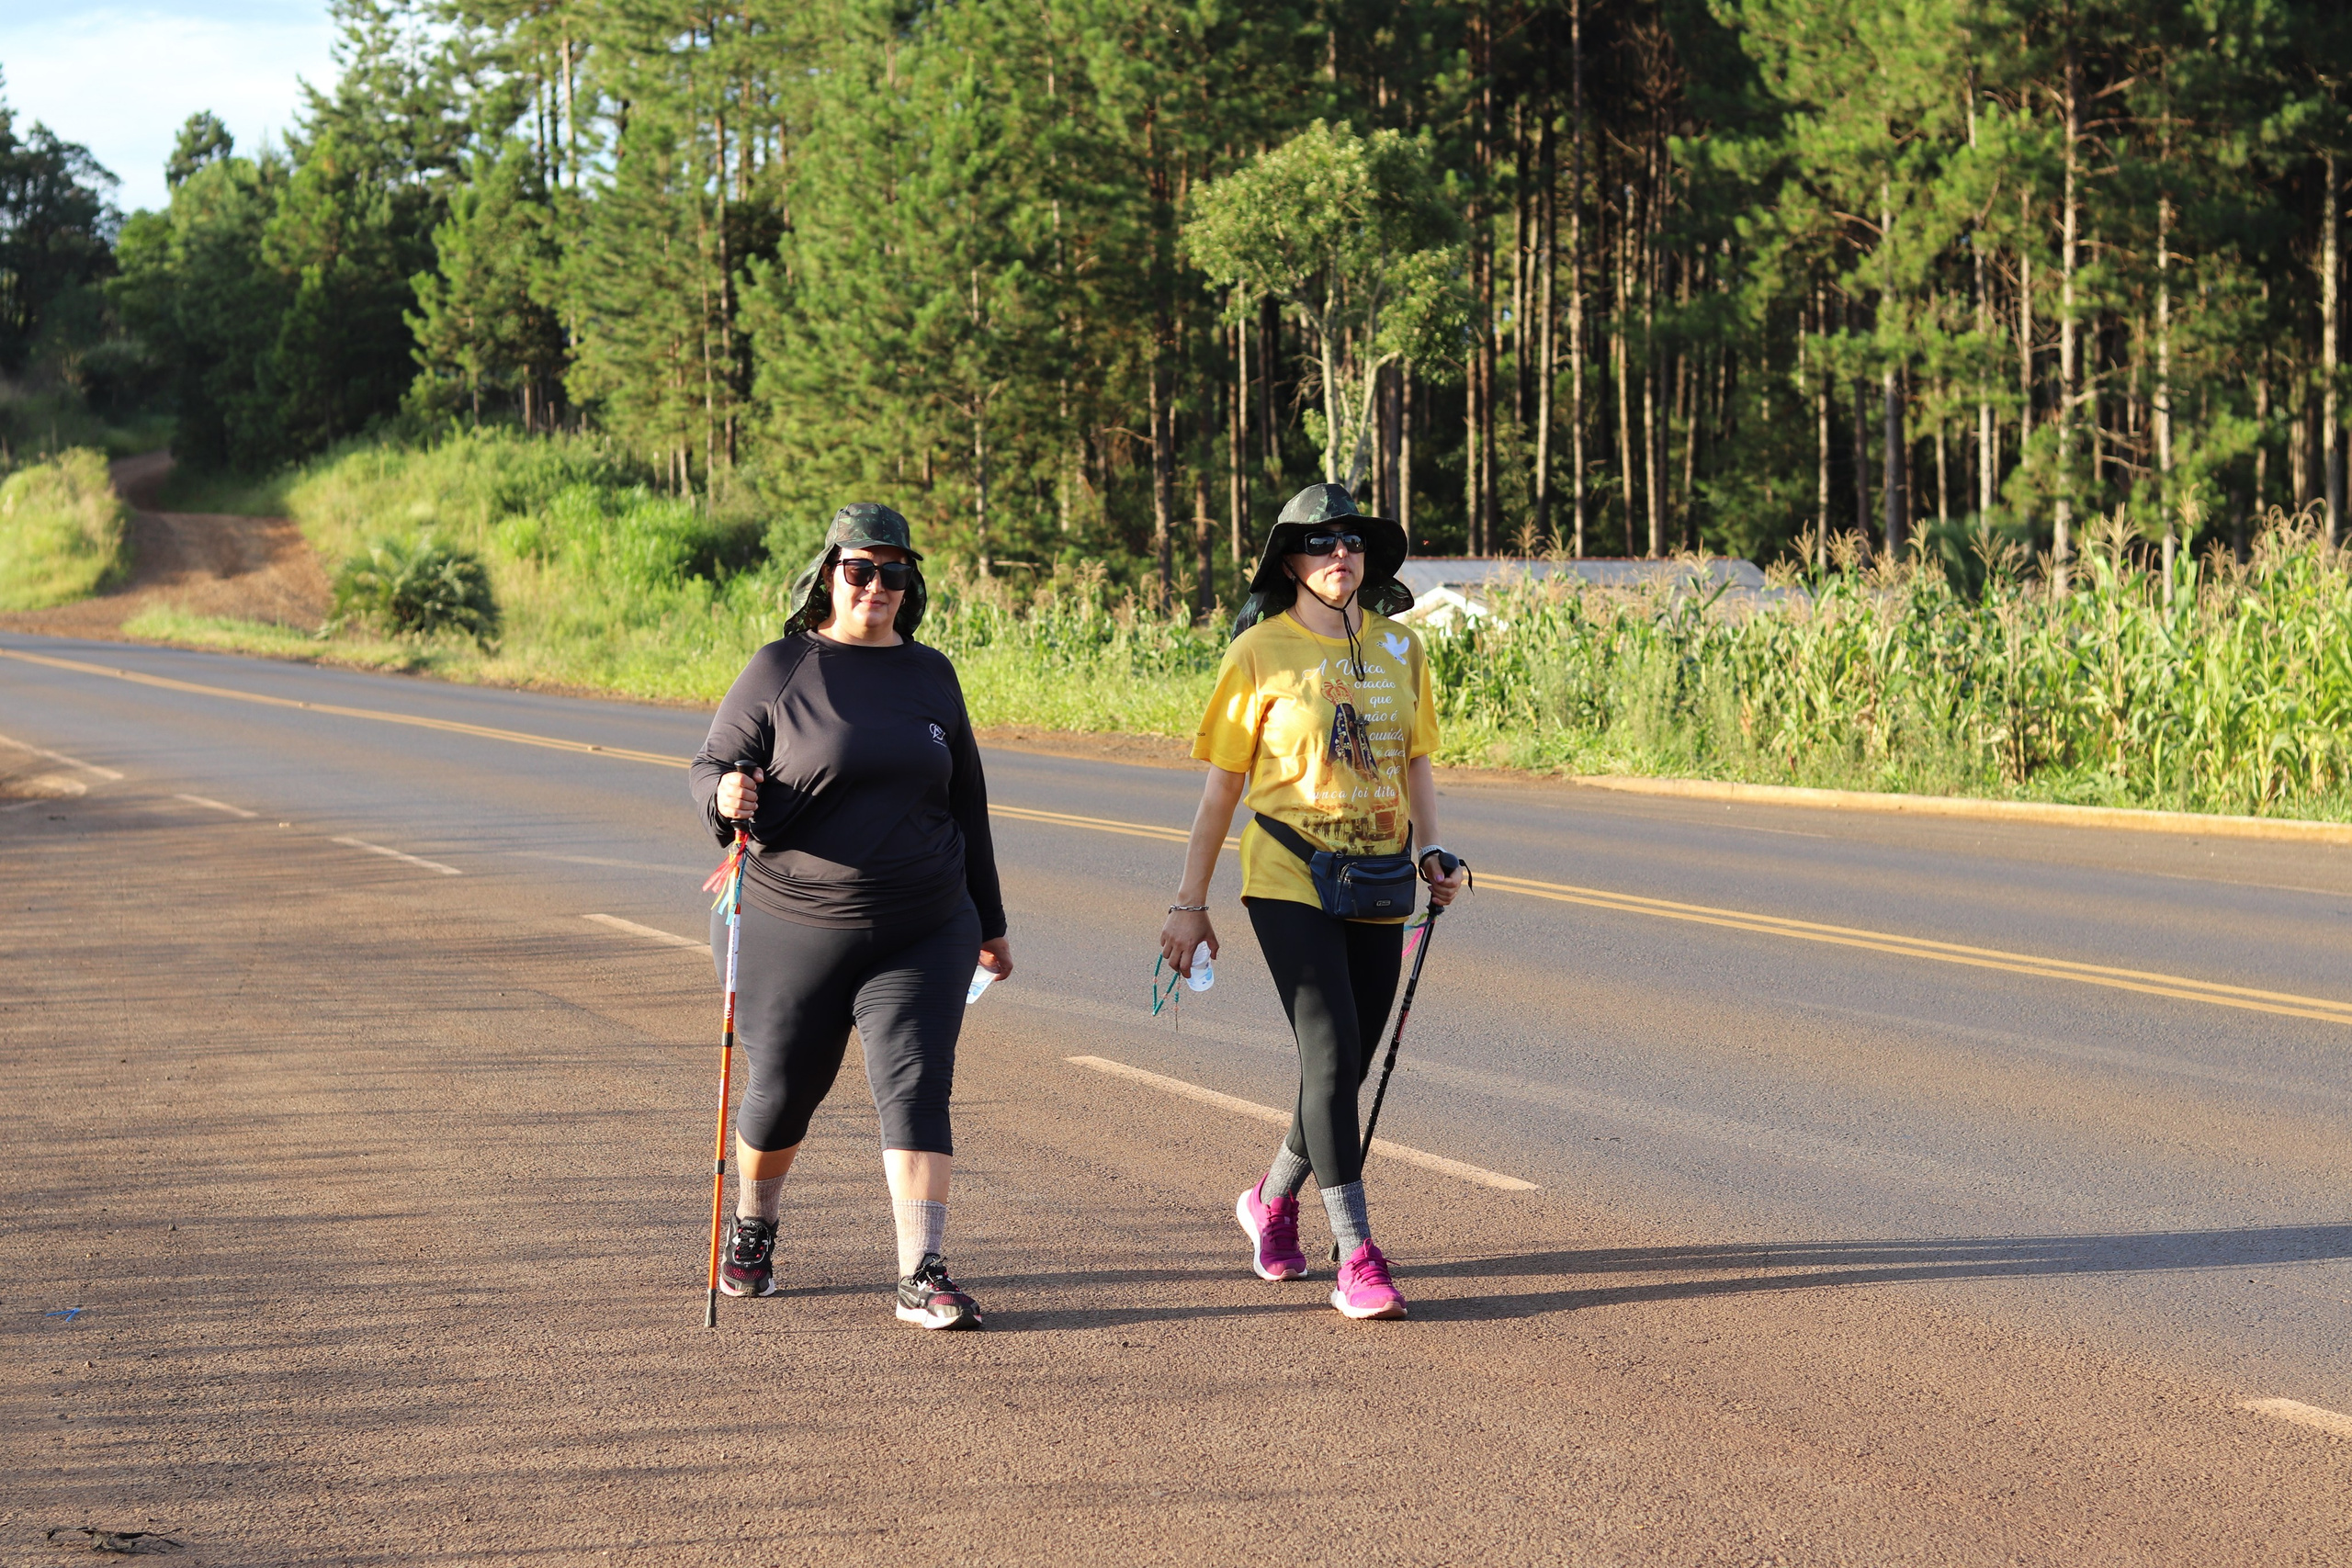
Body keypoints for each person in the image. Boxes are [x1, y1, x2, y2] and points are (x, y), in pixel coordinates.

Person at [689, 502, 1012, 1330]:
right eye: (860, 569)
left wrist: (988, 920)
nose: (876, 585)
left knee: (916, 1081)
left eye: (893, 571)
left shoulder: (932, 673)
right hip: (790, 922)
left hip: (924, 921)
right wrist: (727, 793)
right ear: (828, 574)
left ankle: (921, 1273)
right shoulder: (782, 667)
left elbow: (967, 803)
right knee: (786, 1087)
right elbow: (711, 765)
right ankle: (754, 1227)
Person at [1159, 482, 1466, 1322]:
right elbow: (1221, 791)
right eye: (1322, 541)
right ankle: (1356, 1253)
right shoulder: (1258, 652)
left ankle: (1270, 1198)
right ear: (1291, 560)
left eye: (1353, 541)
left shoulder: (1402, 647)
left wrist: (1431, 849)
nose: (1341, 554)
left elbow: (1416, 761)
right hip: (1287, 875)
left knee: (1349, 1063)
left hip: (1379, 876)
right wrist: (1190, 902)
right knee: (1329, 1052)